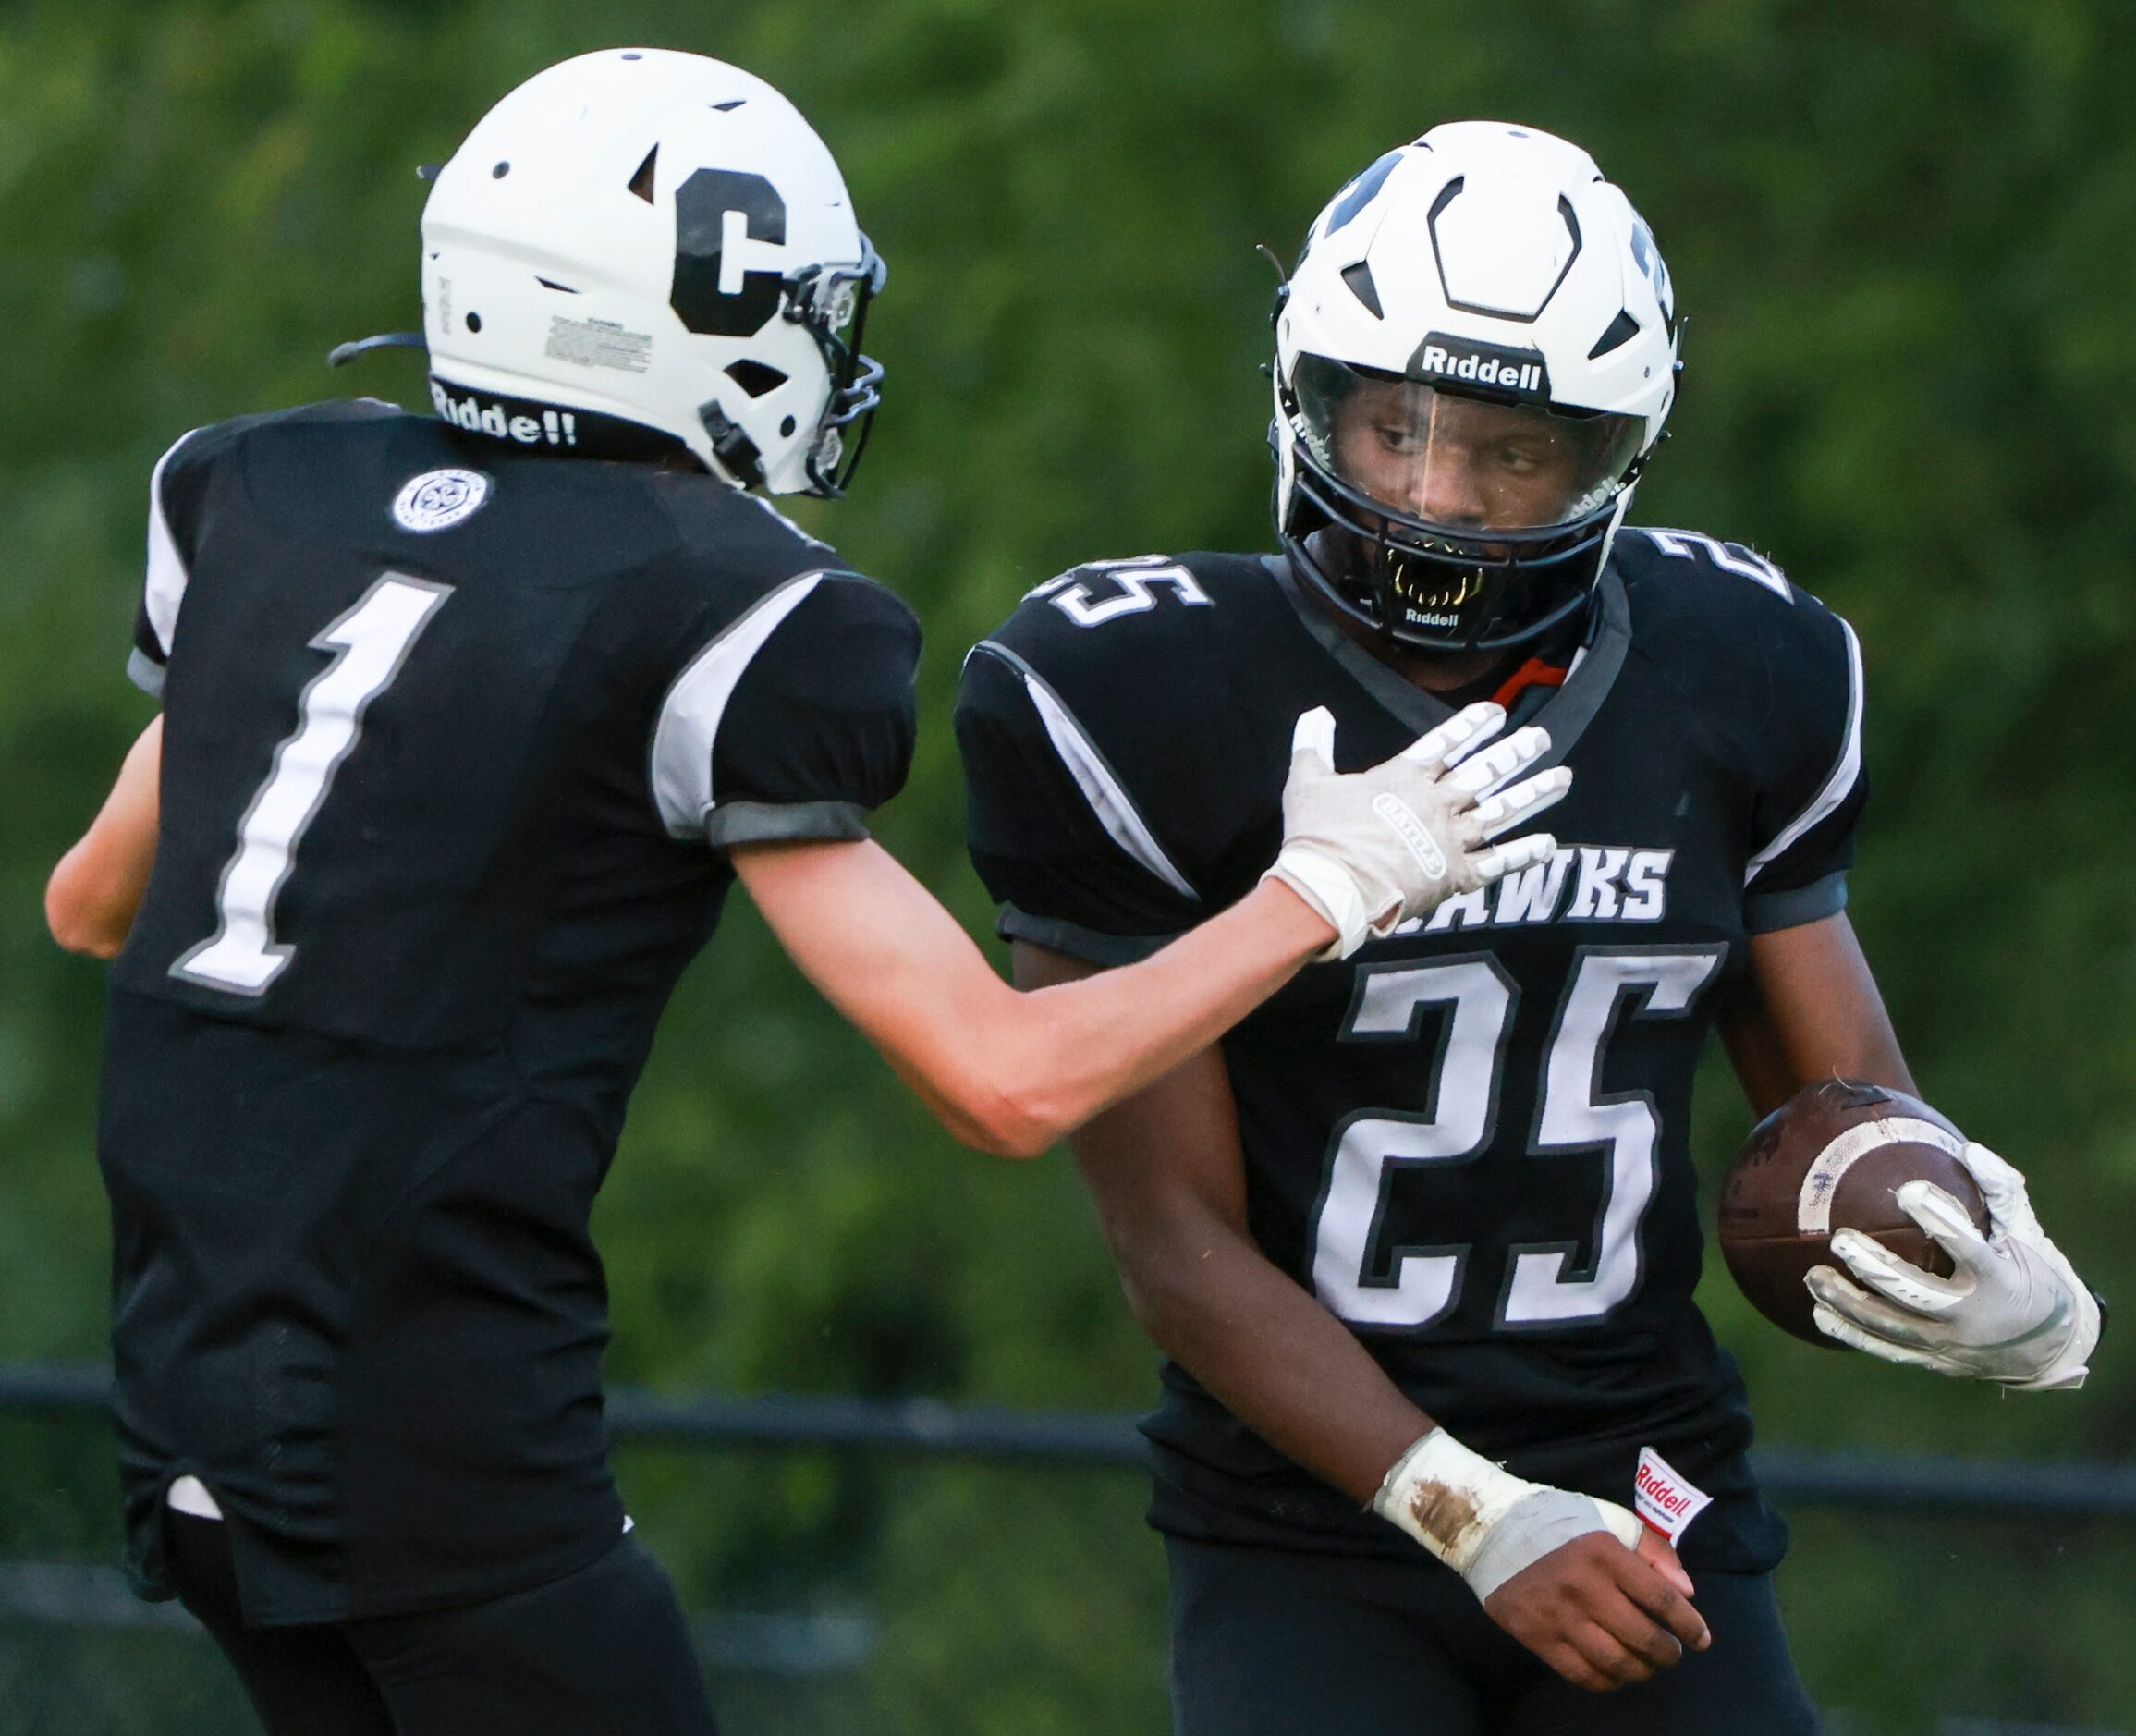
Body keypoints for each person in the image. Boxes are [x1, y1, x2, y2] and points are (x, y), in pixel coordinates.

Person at [41, 59, 1573, 1736]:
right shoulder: (725, 599)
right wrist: (1325, 887)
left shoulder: (265, 492)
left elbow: (93, 902)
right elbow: (1007, 1083)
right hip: (442, 1458)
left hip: (187, 1415)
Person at [954, 121, 2102, 1734]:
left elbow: (1841, 1114)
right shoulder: (1139, 694)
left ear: (1610, 456)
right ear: (1309, 404)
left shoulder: (1732, 661)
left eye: (1514, 450)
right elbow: (1176, 1247)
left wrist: (1979, 1255)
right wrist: (1469, 1513)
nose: (1439, 494)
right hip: (1313, 1520)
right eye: (1392, 428)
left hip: (1647, 1486)